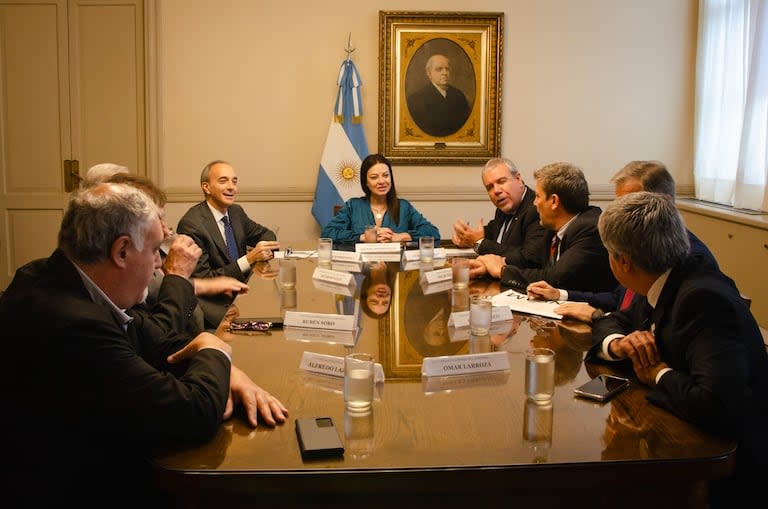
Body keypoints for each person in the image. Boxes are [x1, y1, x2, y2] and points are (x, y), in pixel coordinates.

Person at [0, 183, 284, 506]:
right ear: (121, 252)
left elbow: (156, 338)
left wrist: (228, 368)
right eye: (153, 252)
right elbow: (193, 414)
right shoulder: (73, 322)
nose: (158, 265)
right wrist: (214, 349)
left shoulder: (55, 275)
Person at [588, 191, 768, 508]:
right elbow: (613, 320)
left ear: (623, 262)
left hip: (730, 475)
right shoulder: (664, 275)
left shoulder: (701, 299)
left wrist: (659, 374)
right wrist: (619, 343)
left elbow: (717, 404)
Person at [526, 160, 719, 323]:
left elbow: (649, 330)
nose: (620, 212)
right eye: (619, 203)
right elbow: (618, 299)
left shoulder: (686, 258)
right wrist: (560, 295)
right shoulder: (639, 246)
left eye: (631, 203)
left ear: (664, 202)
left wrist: (598, 317)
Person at [105, 172, 249, 334]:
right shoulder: (135, 264)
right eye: (157, 219)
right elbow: (160, 335)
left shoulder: (236, 212)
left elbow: (172, 289)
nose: (166, 229)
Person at [469, 161, 617, 293]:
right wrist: (488, 267)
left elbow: (554, 278)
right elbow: (536, 266)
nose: (534, 203)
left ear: (554, 201)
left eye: (538, 197)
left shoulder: (589, 228)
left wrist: (502, 271)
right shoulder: (552, 227)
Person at [177, 160, 279, 327]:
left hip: (245, 291)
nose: (232, 187)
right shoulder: (192, 224)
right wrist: (250, 259)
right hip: (216, 304)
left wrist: (262, 251)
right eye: (223, 181)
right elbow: (205, 279)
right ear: (206, 187)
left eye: (234, 181)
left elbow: (267, 234)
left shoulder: (235, 212)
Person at [321, 153, 440, 244]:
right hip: (361, 271)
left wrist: (402, 236)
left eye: (386, 175)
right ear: (365, 182)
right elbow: (327, 234)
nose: (381, 181)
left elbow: (433, 233)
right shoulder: (353, 206)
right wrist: (365, 237)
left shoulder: (403, 206)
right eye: (374, 177)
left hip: (397, 270)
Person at [452, 157, 546, 268]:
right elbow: (493, 232)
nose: (496, 191)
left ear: (518, 179)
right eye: (490, 187)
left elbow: (528, 258)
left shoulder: (536, 209)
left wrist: (478, 242)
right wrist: (466, 237)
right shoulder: (504, 206)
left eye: (501, 182)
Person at [406, 54, 471, 137]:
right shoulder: (416, 99)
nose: (445, 73)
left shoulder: (459, 95)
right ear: (429, 73)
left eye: (447, 69)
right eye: (439, 69)